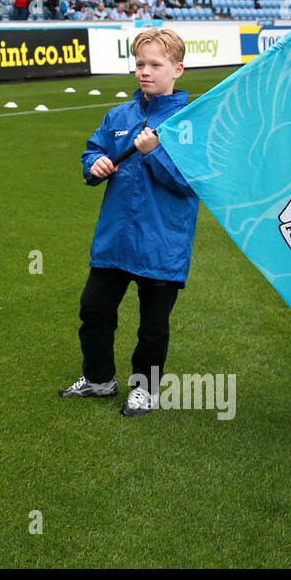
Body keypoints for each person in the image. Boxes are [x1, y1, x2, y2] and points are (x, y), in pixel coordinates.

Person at [61, 29, 199, 418]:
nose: (145, 72)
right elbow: (93, 153)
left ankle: (146, 389)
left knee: (152, 326)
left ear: (177, 69)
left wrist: (154, 153)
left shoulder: (187, 123)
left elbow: (190, 184)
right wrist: (96, 165)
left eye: (155, 64)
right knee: (94, 310)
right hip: (114, 240)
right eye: (140, 64)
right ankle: (100, 379)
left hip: (161, 243)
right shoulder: (118, 116)